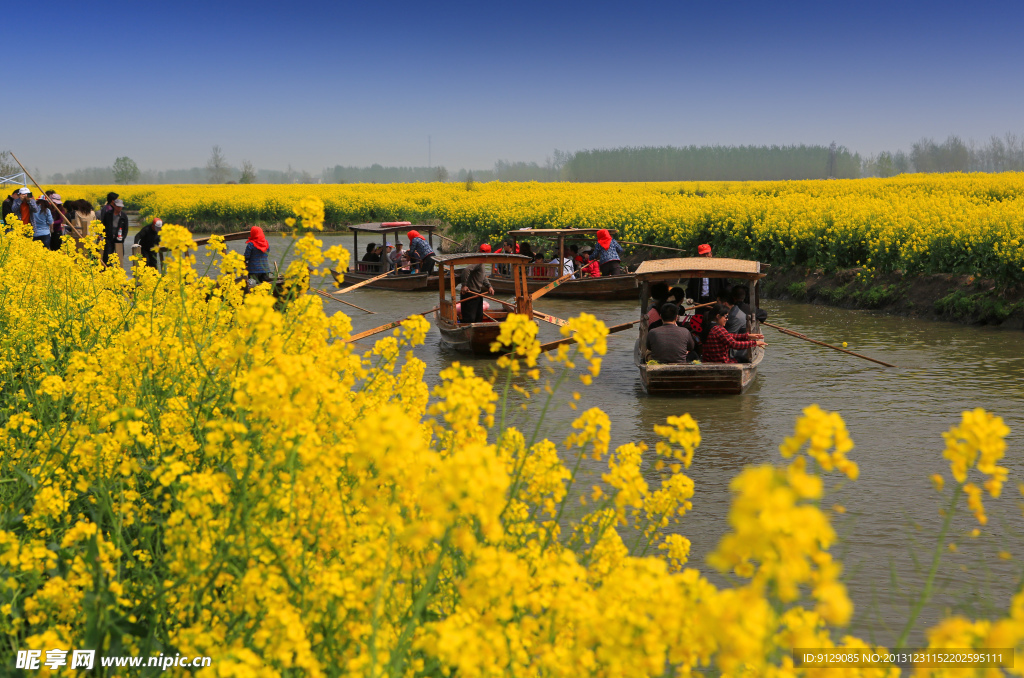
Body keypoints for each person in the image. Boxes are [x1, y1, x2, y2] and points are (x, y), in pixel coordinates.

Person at [702, 303, 766, 363]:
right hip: (721, 362)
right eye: (726, 316)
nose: (727, 319)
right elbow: (734, 344)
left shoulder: (709, 326)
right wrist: (755, 343)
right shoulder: (719, 329)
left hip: (709, 360)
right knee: (745, 360)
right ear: (718, 316)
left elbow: (728, 335)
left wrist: (747, 336)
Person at [459, 244, 494, 323]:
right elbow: (466, 270)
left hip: (477, 294)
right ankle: (468, 334)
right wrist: (464, 285)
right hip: (470, 293)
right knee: (470, 319)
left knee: (478, 317)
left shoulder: (481, 262)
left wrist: (489, 286)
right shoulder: (478, 261)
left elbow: (483, 276)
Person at [100, 198, 128, 266]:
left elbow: (126, 229)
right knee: (107, 256)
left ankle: (118, 272)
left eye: (120, 207)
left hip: (119, 239)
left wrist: (123, 237)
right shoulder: (108, 214)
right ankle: (106, 271)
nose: (119, 208)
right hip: (109, 238)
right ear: (114, 206)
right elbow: (103, 225)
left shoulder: (124, 216)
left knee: (119, 256)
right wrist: (101, 235)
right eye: (118, 206)